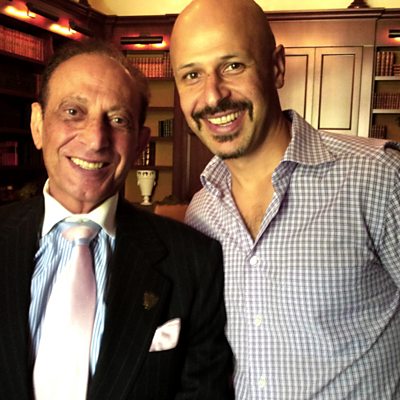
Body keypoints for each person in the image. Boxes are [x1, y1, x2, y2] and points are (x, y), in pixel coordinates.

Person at [170, 0, 400, 398]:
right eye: (192, 75)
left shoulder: (379, 178)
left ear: (276, 67)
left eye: (233, 66)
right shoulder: (202, 212)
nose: (213, 95)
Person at [0, 39, 234, 400]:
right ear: (37, 125)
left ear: (140, 144)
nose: (96, 139)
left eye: (118, 120)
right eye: (73, 112)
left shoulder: (194, 261)